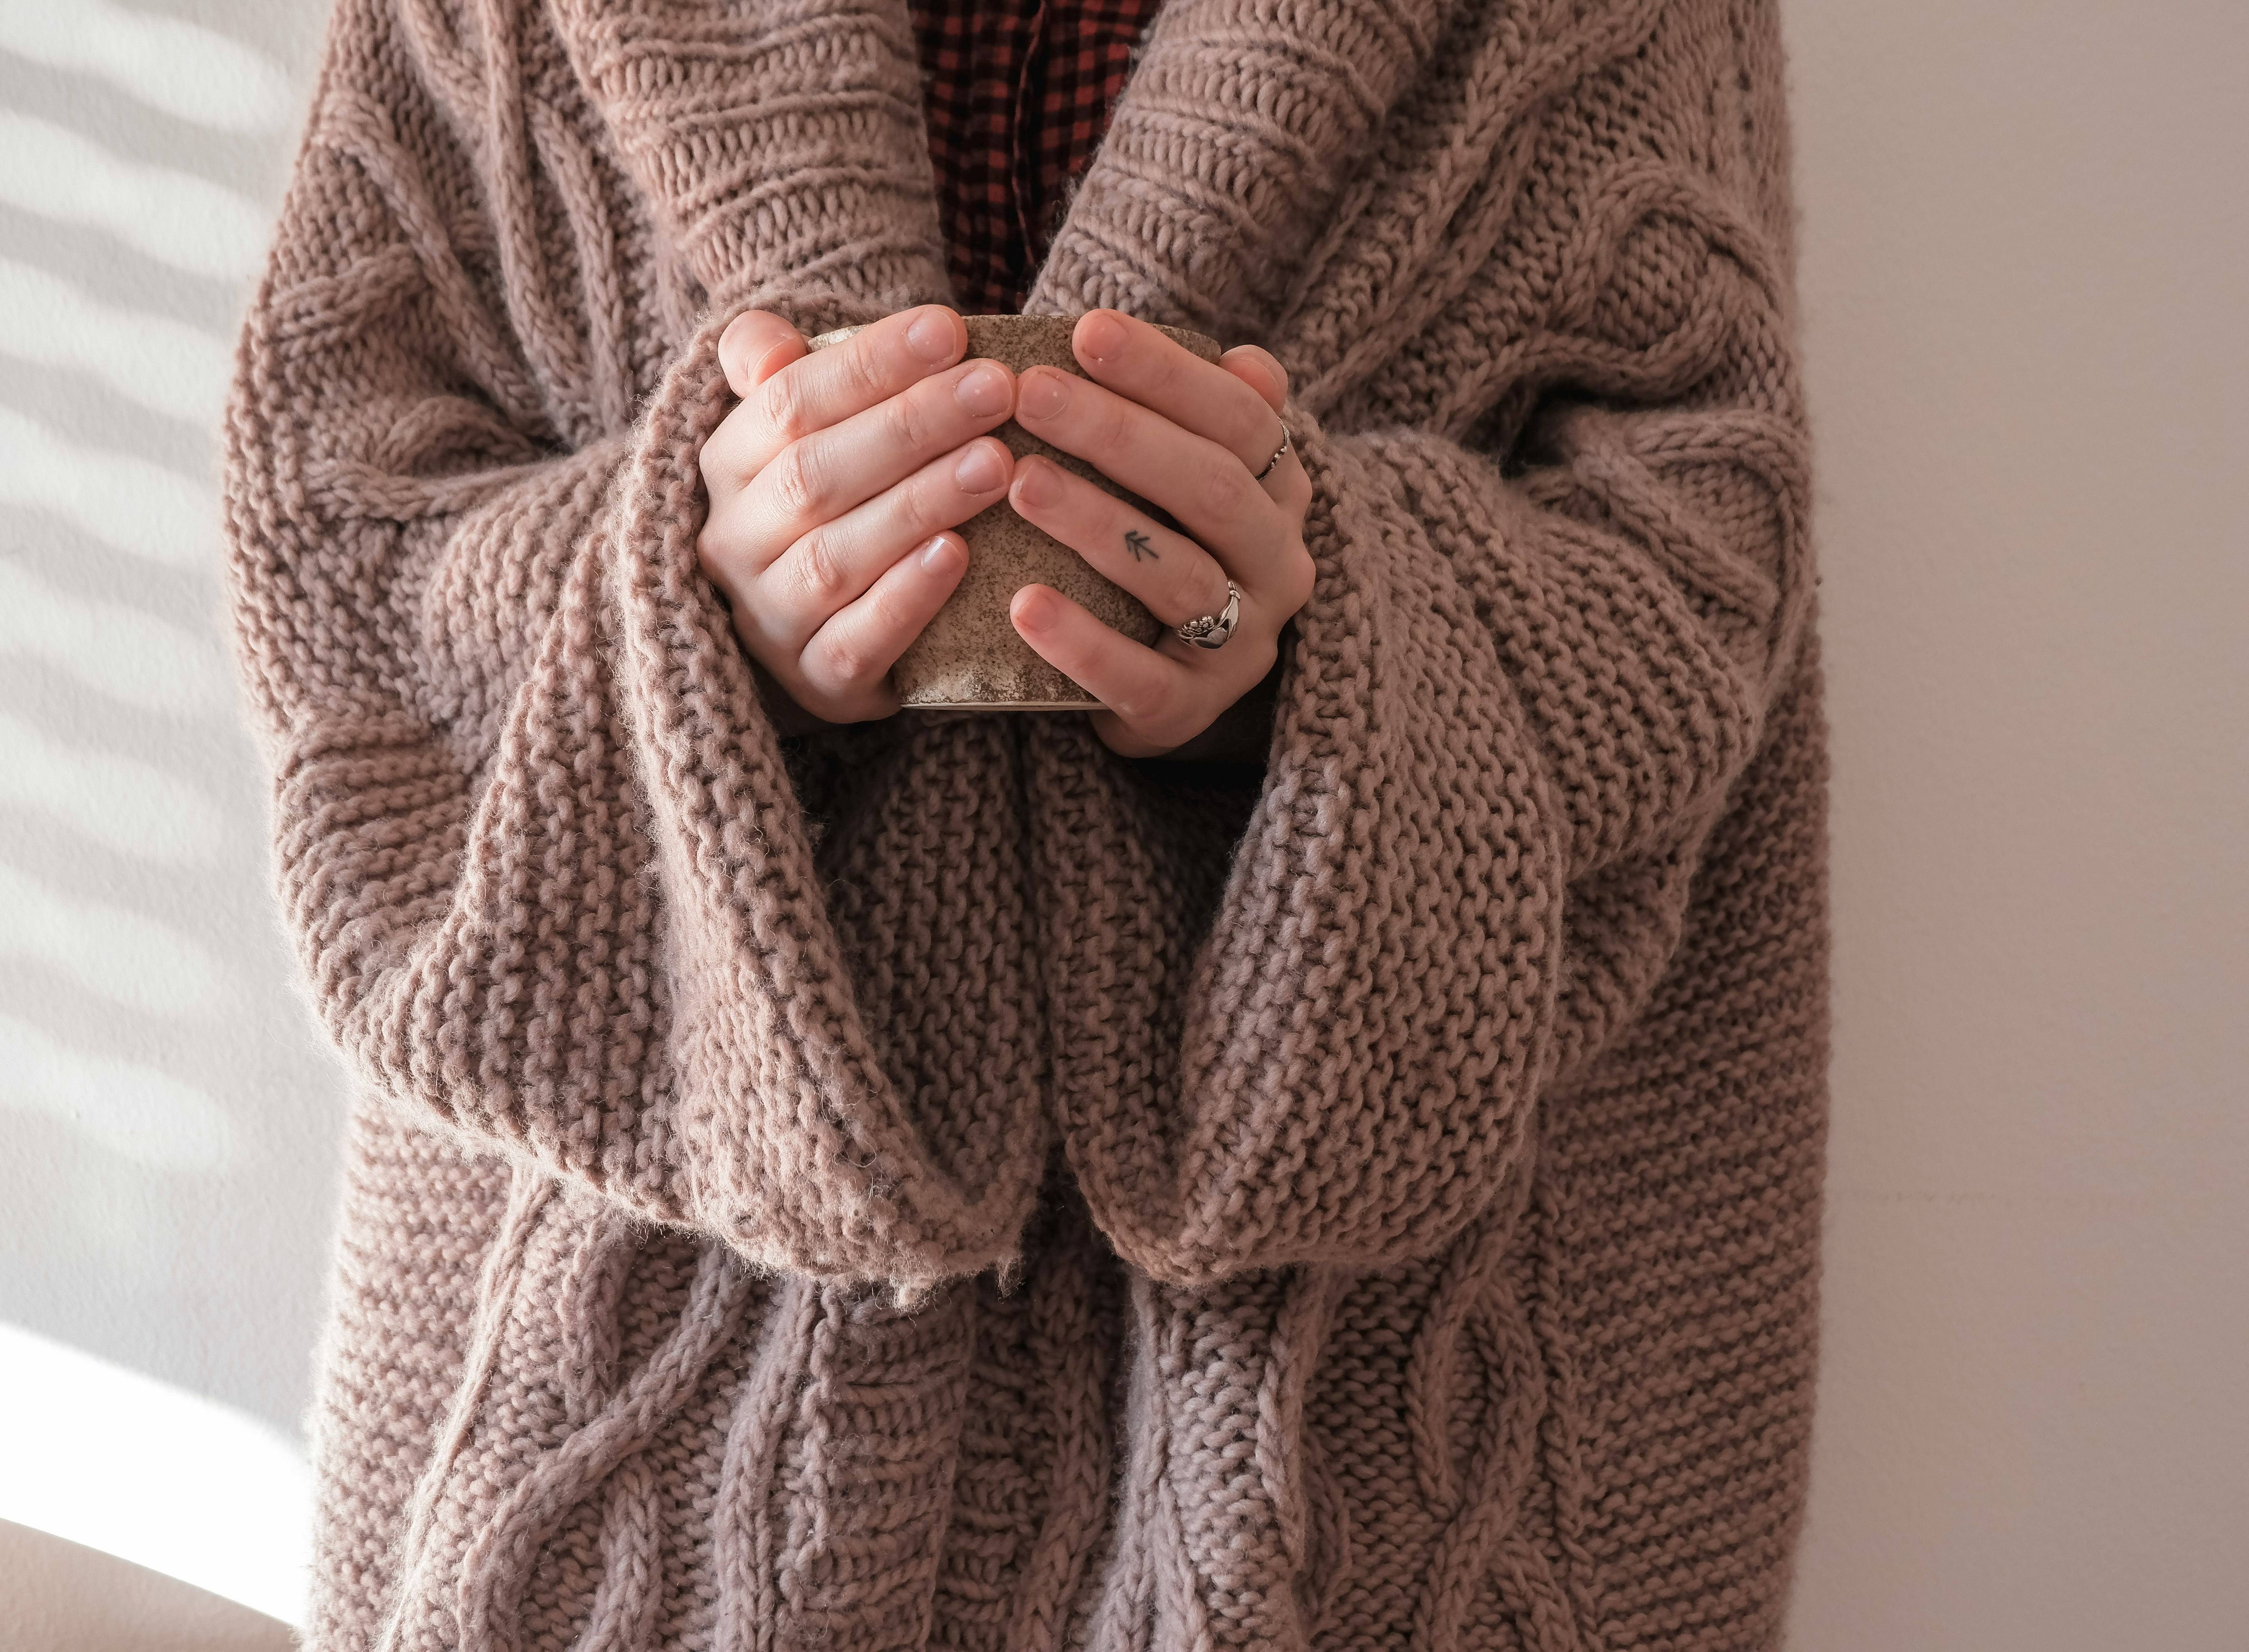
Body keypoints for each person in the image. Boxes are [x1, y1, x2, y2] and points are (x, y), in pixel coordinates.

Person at [220, 0, 1831, 1647]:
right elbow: (344, 531)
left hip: (1370, 1458)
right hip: (638, 1421)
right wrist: (707, 595)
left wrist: (1311, 642)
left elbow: (1702, 533)